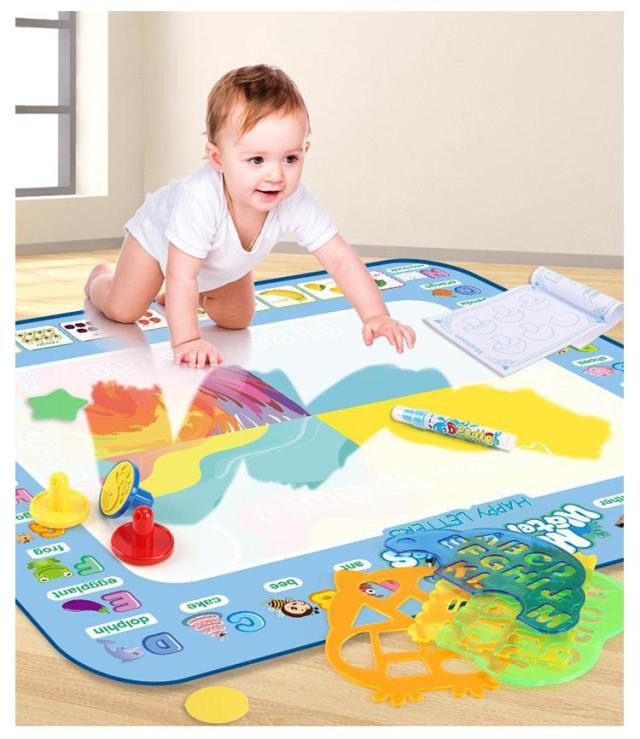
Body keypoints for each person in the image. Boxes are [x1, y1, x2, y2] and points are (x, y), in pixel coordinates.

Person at [85, 64, 416, 368]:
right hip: (158, 245)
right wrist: (187, 340)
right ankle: (99, 280)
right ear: (218, 159)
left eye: (290, 158)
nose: (275, 175)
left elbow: (340, 259)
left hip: (216, 262)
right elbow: (180, 273)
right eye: (257, 160)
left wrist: (376, 315)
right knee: (124, 309)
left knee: (236, 319)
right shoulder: (198, 199)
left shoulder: (293, 199)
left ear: (305, 151)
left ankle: (181, 298)